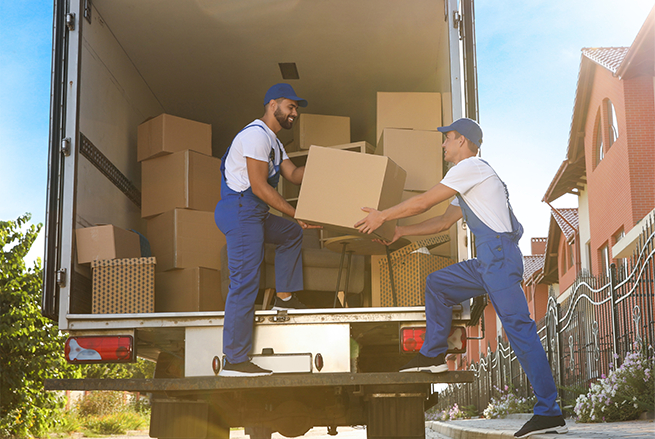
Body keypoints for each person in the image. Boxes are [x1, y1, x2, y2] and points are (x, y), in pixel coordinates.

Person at [355, 118, 567, 437]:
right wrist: (400, 231)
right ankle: (433, 356)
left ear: (464, 142)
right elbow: (442, 222)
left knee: (520, 332)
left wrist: (382, 215)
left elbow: (426, 201)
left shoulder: (472, 167)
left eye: (448, 138)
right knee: (438, 284)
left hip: (497, 257)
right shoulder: (468, 180)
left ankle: (549, 411)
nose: (444, 144)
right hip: (487, 260)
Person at [214, 83, 318, 377]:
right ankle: (234, 359)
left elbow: (295, 175)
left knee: (291, 234)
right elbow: (259, 187)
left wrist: (326, 164)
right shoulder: (255, 136)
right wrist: (296, 213)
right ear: (272, 104)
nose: (294, 113)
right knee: (245, 282)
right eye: (291, 107)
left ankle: (284, 298)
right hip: (240, 211)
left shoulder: (274, 142)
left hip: (254, 213)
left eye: (296, 109)